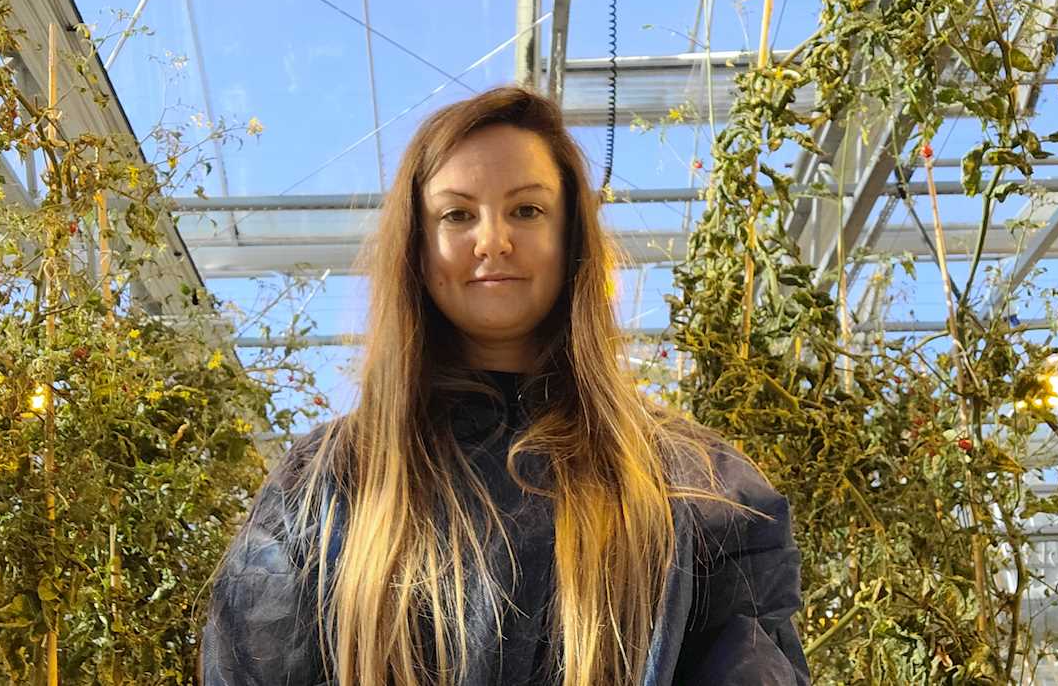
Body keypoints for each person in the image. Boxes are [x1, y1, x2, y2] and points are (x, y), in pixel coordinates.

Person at [200, 85, 810, 686]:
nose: (492, 240)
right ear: (417, 246)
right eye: (457, 214)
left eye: (527, 209)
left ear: (570, 239)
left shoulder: (693, 483)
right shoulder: (328, 484)